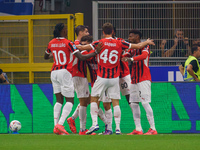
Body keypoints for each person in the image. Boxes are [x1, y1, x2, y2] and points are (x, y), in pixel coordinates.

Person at [77, 22, 155, 135]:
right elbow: (138, 46)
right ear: (113, 32)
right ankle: (118, 128)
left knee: (94, 99)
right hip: (114, 77)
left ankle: (95, 124)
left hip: (102, 76)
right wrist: (147, 42)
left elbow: (82, 47)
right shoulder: (120, 42)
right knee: (116, 103)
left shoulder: (99, 42)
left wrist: (75, 45)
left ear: (103, 32)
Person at [44, 23, 102, 135]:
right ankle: (60, 124)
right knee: (70, 100)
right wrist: (95, 52)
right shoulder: (69, 43)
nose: (67, 30)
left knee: (59, 100)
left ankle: (56, 126)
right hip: (66, 72)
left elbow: (46, 56)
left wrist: (55, 53)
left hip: (54, 72)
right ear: (63, 31)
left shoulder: (51, 42)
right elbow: (81, 57)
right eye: (65, 29)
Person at [122, 29, 157, 135]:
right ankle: (138, 129)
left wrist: (131, 59)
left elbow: (143, 56)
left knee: (145, 102)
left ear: (137, 37)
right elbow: (124, 56)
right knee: (133, 103)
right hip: (134, 79)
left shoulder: (145, 46)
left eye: (131, 36)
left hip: (144, 78)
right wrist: (123, 56)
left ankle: (153, 128)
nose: (129, 38)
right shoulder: (132, 49)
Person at [66, 25, 91, 135]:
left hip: (81, 75)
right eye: (86, 31)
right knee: (83, 102)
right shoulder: (76, 44)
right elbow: (82, 56)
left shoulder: (79, 44)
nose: (88, 33)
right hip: (78, 74)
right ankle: (82, 129)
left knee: (89, 100)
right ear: (80, 32)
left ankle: (72, 119)